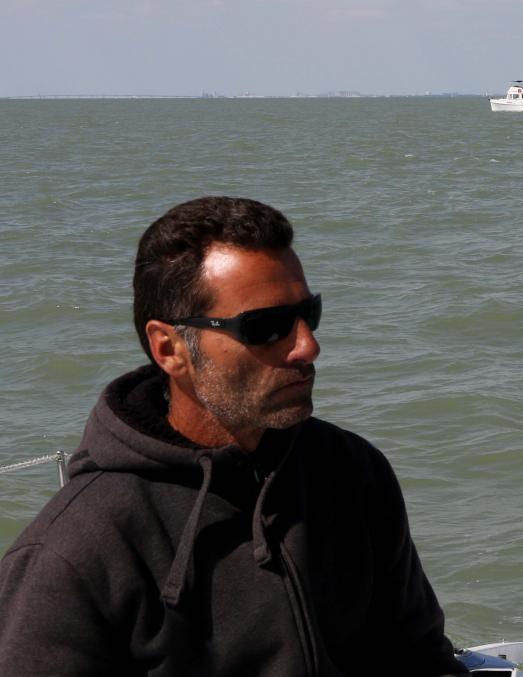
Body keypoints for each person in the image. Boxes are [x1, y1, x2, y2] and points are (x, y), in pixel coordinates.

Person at [0, 197, 469, 676]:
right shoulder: (75, 552)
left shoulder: (351, 472)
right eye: (267, 327)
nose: (308, 345)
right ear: (170, 348)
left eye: (310, 314)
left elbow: (418, 658)